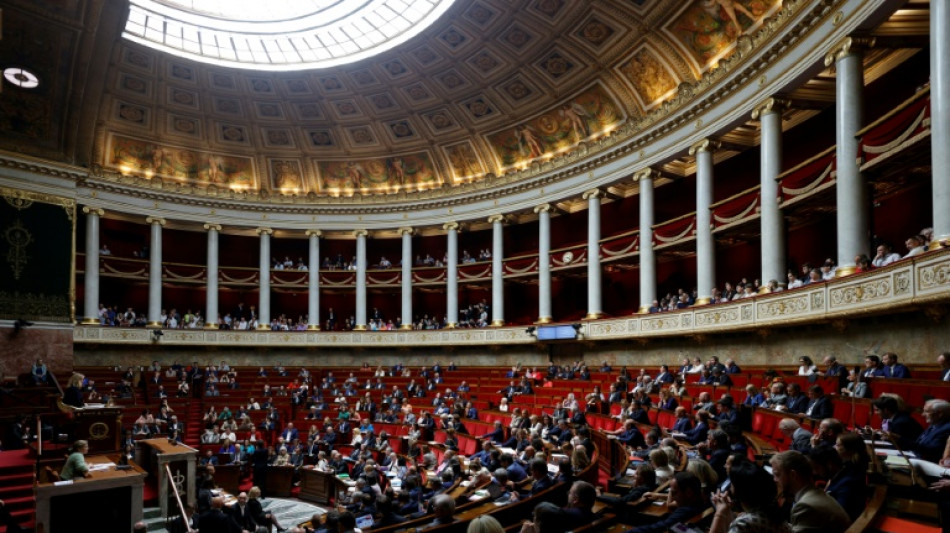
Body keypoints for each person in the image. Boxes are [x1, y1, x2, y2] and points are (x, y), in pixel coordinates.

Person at [769, 450, 850, 533]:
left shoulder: (806, 506)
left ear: (793, 475)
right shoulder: (816, 494)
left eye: (777, 475)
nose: (775, 480)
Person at [709, 461, 789, 533]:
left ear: (741, 490)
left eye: (732, 483)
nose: (730, 486)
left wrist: (719, 513)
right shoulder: (772, 511)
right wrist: (727, 511)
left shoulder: (744, 524)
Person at [623, 472, 709, 533]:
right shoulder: (702, 501)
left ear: (689, 492)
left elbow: (659, 528)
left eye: (674, 492)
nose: (672, 498)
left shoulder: (685, 511)